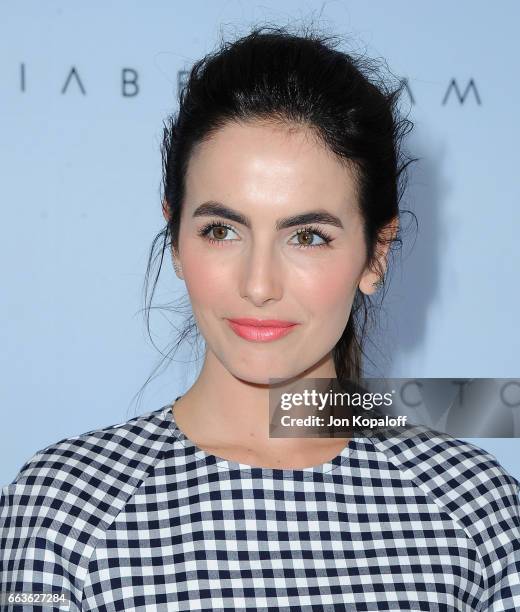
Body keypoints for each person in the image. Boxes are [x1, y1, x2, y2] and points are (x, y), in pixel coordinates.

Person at [1, 25, 519, 611]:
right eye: (221, 231)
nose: (258, 285)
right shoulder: (66, 508)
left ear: (376, 254)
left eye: (308, 236)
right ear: (175, 239)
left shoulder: (474, 505)